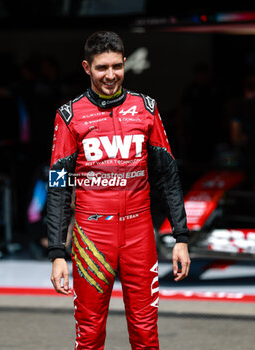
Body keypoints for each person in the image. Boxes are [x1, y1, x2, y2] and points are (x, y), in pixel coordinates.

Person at [47, 31, 191, 350]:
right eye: (101, 68)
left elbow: (168, 174)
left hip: (140, 234)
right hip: (92, 237)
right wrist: (57, 252)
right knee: (89, 333)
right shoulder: (69, 116)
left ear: (125, 63)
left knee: (145, 332)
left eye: (116, 66)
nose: (110, 75)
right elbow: (57, 187)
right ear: (87, 67)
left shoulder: (146, 108)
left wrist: (181, 237)